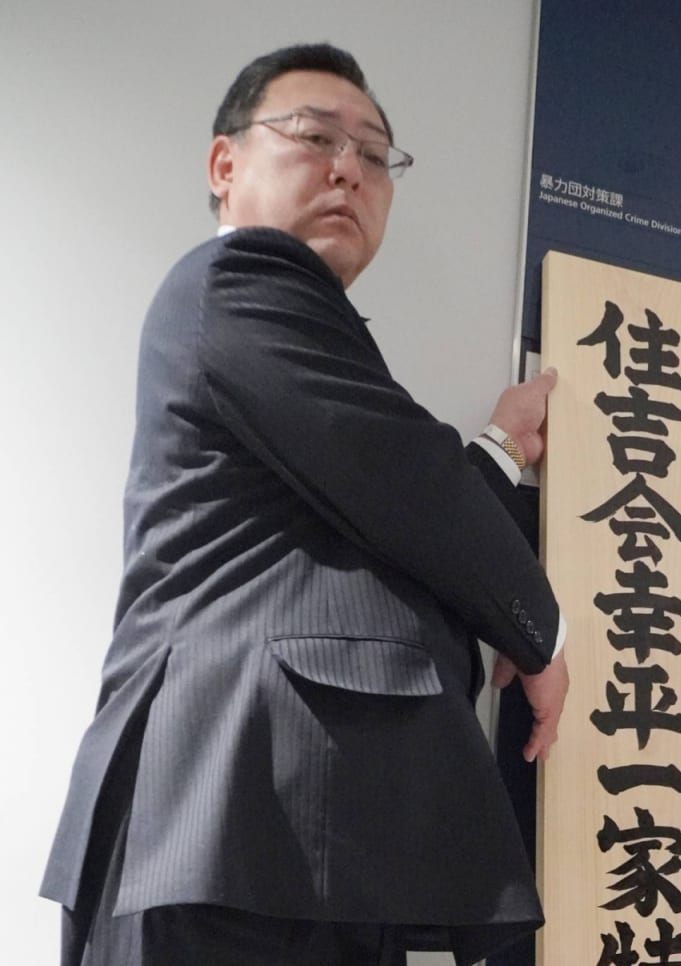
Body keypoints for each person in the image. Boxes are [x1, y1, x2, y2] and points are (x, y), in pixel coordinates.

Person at [40, 43, 568, 966]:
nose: (348, 170)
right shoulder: (241, 280)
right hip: (232, 812)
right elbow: (405, 480)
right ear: (225, 163)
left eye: (374, 154)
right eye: (316, 136)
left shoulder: (282, 332)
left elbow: (370, 501)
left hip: (289, 835)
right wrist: (545, 637)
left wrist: (495, 450)